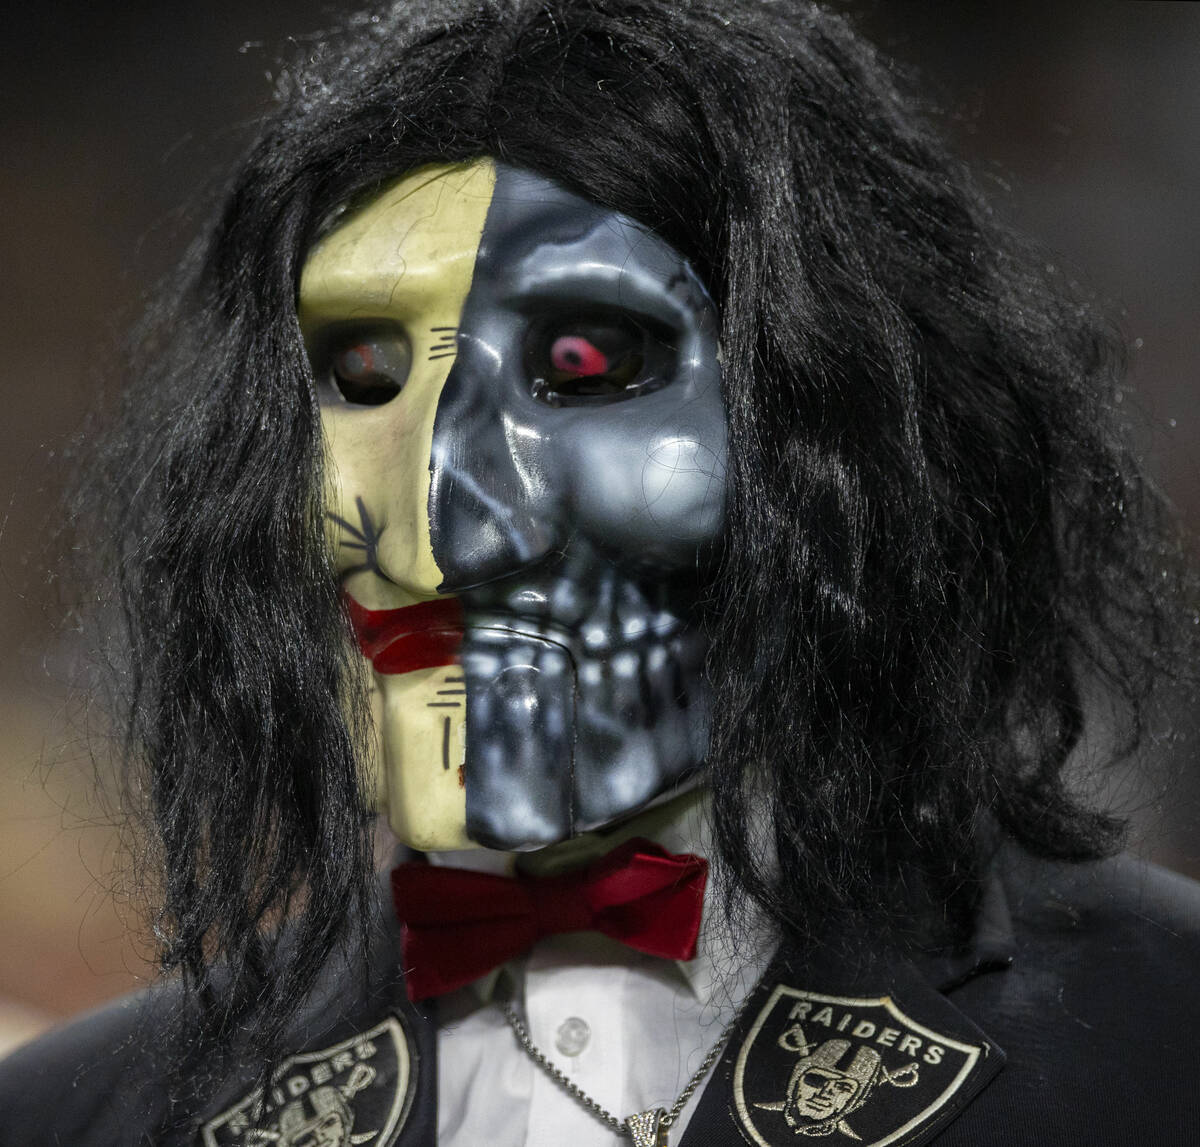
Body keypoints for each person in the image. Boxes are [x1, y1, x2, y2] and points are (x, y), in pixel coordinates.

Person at [2, 1, 1198, 1144]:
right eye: (364, 374)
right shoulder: (76, 1116)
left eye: (583, 363)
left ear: (854, 446)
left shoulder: (1165, 1041)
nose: (447, 534)